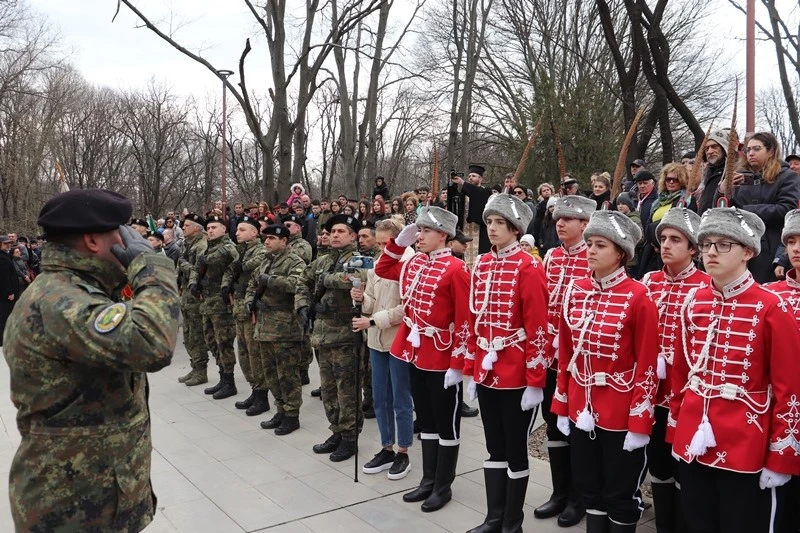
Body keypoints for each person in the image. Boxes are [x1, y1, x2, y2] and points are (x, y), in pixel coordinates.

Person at [3, 188, 179, 532]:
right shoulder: (61, 300)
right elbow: (153, 342)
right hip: (73, 506)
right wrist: (151, 268)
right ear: (95, 242)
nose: (131, 241)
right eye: (122, 232)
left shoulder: (75, 289)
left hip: (92, 495)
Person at [668, 207, 800, 533]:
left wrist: (782, 454)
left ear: (748, 251)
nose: (711, 252)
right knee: (697, 521)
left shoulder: (771, 306)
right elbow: (680, 376)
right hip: (694, 439)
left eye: (724, 244)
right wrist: (676, 431)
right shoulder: (693, 302)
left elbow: (789, 389)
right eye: (707, 243)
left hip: (746, 444)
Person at [551, 210, 658, 533]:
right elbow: (567, 354)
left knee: (620, 492)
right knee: (589, 487)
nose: (591, 251)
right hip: (583, 406)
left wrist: (640, 421)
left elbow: (647, 364)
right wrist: (562, 404)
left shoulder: (639, 297)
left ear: (621, 253)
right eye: (590, 244)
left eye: (600, 245)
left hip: (621, 410)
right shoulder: (576, 290)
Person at [375, 206, 470, 513]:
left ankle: (443, 486)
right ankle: (428, 480)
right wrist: (397, 244)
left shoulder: (456, 269)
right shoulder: (414, 261)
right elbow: (383, 270)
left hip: (441, 356)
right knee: (426, 422)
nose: (419, 237)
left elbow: (465, 321)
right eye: (418, 231)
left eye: (425, 232)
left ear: (443, 235)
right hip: (414, 352)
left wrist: (458, 365)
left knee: (446, 425)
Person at [464, 194, 549, 533]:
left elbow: (539, 327)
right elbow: (475, 319)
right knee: (493, 445)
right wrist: (472, 369)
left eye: (500, 223)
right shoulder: (482, 263)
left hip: (516, 370)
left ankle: (512, 522)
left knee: (515, 449)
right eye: (490, 223)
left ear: (516, 229)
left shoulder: (529, 266)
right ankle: (493, 516)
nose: (493, 229)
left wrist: (534, 380)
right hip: (487, 369)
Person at [640, 208, 710, 533]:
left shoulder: (705, 286)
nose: (665, 245)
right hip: (651, 392)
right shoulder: (649, 282)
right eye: (663, 239)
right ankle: (663, 525)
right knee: (657, 462)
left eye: (676, 239)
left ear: (693, 248)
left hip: (685, 396)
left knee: (684, 465)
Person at [535, 195, 596, 528]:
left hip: (579, 359)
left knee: (576, 427)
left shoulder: (594, 256)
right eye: (558, 218)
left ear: (584, 225)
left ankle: (579, 497)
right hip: (550, 357)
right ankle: (559, 492)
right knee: (553, 422)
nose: (560, 224)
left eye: (568, 219)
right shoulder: (551, 257)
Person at [296, 214, 369, 461]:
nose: (334, 235)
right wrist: (303, 306)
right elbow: (302, 282)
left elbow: (357, 279)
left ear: (352, 236)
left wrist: (326, 279)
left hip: (347, 336)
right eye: (332, 231)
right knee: (328, 391)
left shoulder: (360, 259)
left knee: (347, 391)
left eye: (341, 231)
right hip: (322, 336)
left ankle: (350, 437)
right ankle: (336, 431)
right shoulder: (323, 260)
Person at [352, 218, 414, 480]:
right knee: (380, 398)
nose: (380, 248)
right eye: (377, 243)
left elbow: (406, 308)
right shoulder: (379, 263)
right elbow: (373, 302)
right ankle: (386, 447)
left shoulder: (410, 263)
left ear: (398, 240)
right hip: (376, 340)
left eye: (385, 243)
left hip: (397, 340)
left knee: (400, 399)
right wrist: (361, 298)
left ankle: (403, 451)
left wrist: (374, 320)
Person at [716, 131, 800, 283]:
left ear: (771, 151)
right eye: (748, 150)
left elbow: (787, 210)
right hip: (742, 247)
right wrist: (723, 189)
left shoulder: (787, 176)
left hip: (772, 246)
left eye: (756, 149)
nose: (750, 153)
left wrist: (747, 212)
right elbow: (721, 210)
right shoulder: (740, 176)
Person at [248, 224, 306, 435]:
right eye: (266, 238)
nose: (267, 241)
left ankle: (292, 414)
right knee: (271, 372)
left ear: (284, 241)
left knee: (287, 374)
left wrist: (272, 281)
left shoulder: (294, 261)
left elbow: (298, 284)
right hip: (264, 325)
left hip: (285, 327)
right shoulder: (265, 261)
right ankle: (280, 409)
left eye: (272, 238)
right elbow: (252, 285)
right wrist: (249, 301)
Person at [190, 214, 240, 400]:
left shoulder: (229, 248)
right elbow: (196, 268)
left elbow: (234, 269)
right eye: (208, 228)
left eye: (214, 227)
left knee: (224, 342)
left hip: (222, 304)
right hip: (207, 303)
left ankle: (229, 381)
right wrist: (193, 284)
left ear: (224, 229)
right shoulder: (207, 249)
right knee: (211, 341)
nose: (210, 230)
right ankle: (222, 376)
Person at [223, 215, 269, 415]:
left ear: (254, 232)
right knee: (243, 352)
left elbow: (248, 268)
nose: (237, 232)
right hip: (238, 305)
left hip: (251, 307)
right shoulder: (241, 251)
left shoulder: (260, 250)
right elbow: (229, 271)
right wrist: (226, 286)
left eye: (242, 230)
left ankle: (262, 395)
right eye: (237, 229)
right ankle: (254, 389)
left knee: (254, 352)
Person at [451, 164, 493, 254]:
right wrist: (453, 185)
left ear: (481, 179)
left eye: (474, 176)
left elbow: (477, 193)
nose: (470, 178)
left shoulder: (486, 191)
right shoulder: (464, 193)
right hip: (465, 229)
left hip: (481, 230)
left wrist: (462, 183)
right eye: (469, 176)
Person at [697, 130, 729, 214]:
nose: (709, 151)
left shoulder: (734, 171)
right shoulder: (707, 173)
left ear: (724, 147)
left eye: (714, 146)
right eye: (706, 148)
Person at [0, 235, 19, 344]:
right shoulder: (2, 258)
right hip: (6, 295)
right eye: (5, 243)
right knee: (4, 317)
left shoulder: (5, 255)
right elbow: (3, 277)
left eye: (9, 243)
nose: (8, 245)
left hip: (7, 293)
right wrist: (9, 292)